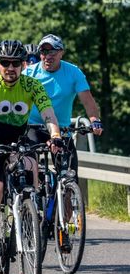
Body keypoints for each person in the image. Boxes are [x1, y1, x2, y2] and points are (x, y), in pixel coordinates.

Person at [0, 40, 62, 274]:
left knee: (32, 170)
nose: (10, 68)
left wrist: (55, 135)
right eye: (5, 63)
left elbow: (48, 113)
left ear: (23, 64)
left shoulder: (32, 85)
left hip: (19, 141)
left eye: (15, 63)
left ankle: (29, 216)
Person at [24, 34, 103, 175]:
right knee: (29, 167)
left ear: (61, 52)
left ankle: (67, 187)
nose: (47, 56)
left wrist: (95, 120)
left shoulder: (73, 72)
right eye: (44, 52)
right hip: (34, 126)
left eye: (52, 52)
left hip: (62, 128)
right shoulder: (29, 73)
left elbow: (87, 101)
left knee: (69, 173)